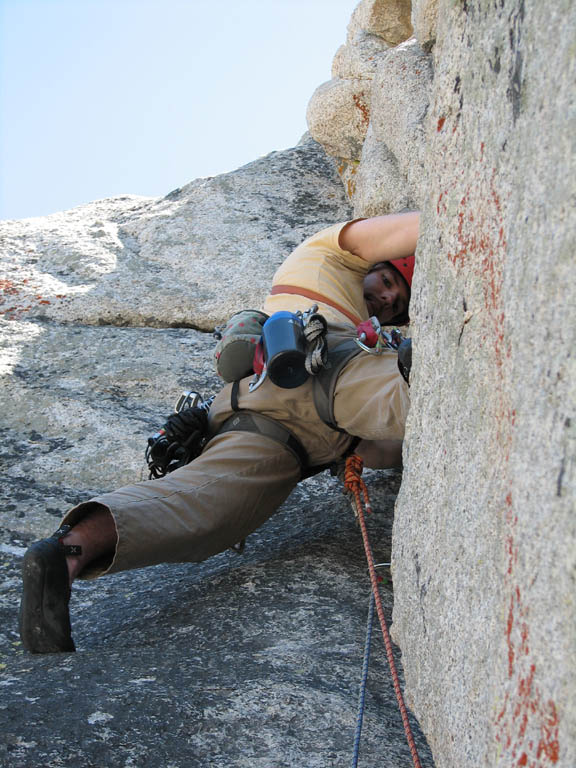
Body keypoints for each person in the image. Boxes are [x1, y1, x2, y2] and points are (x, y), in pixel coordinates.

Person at [19, 212, 419, 654]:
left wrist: (373, 455)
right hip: (329, 371)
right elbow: (406, 230)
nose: (385, 297)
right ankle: (418, 370)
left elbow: (377, 448)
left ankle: (67, 552)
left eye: (396, 299)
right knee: (409, 395)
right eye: (385, 280)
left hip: (272, 427)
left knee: (200, 506)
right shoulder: (323, 258)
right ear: (372, 265)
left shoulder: (373, 333)